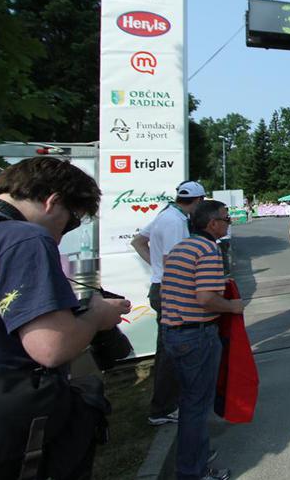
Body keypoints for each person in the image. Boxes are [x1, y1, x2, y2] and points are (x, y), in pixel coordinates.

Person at [0, 157, 131, 479]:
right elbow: (51, 347)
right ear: (52, 202)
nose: (61, 236)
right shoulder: (24, 238)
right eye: (70, 222)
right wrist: (97, 316)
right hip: (10, 426)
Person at [161, 200, 243, 480]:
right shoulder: (208, 250)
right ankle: (192, 471)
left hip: (175, 331)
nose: (228, 223)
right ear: (212, 223)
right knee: (197, 407)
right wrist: (232, 307)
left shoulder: (181, 247)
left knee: (190, 403)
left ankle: (195, 457)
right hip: (196, 334)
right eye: (226, 219)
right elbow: (206, 298)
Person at [132, 180, 206, 427]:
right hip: (171, 291)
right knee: (172, 351)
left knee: (168, 349)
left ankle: (166, 405)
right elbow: (175, 262)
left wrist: (156, 269)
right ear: (199, 201)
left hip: (161, 286)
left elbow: (137, 242)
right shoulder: (175, 222)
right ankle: (164, 407)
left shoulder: (166, 214)